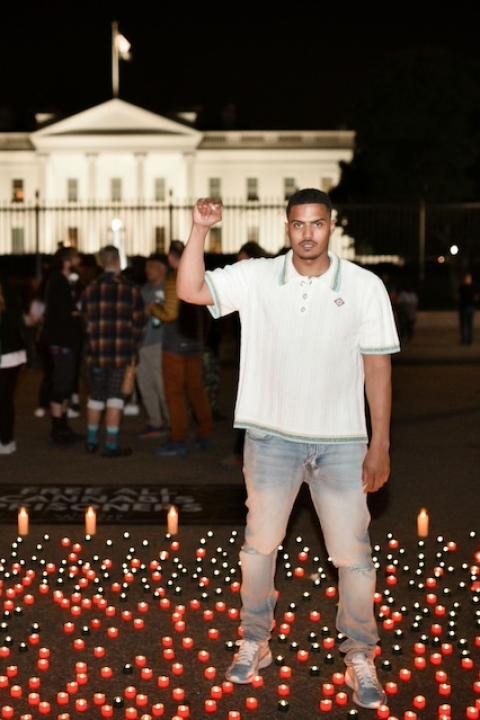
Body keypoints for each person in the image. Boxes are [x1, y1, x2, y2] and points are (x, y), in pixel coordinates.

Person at [177, 189, 400, 710]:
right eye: (298, 224)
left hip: (342, 443)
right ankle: (256, 640)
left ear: (331, 226)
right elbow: (190, 289)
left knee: (353, 557)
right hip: (271, 438)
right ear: (287, 227)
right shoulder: (258, 277)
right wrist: (200, 229)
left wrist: (381, 444)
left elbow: (378, 369)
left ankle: (359, 653)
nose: (307, 234)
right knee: (259, 547)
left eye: (316, 224)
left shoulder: (365, 286)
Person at [82, 245, 145, 457]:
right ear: (119, 262)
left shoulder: (90, 289)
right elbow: (138, 325)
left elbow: (85, 323)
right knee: (116, 399)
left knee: (95, 397)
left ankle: (91, 442)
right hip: (122, 354)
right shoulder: (131, 289)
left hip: (96, 354)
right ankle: (110, 445)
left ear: (101, 263)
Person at [152, 240, 213, 457]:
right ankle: (205, 433)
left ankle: (178, 438)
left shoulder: (172, 279)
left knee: (175, 393)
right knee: (197, 390)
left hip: (175, 344)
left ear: (171, 258)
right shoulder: (200, 277)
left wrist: (153, 309)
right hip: (195, 342)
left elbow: (170, 313)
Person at [41, 247, 83, 445]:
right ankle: (57, 429)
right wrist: (77, 313)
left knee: (65, 383)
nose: (79, 259)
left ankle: (63, 426)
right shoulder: (58, 280)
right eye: (75, 256)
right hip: (61, 339)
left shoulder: (64, 279)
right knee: (61, 383)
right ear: (68, 260)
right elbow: (62, 311)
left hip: (65, 339)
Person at [137, 253, 170, 438]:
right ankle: (155, 421)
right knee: (145, 384)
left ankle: (173, 422)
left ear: (162, 268)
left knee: (163, 385)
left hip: (160, 344)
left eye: (152, 266)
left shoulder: (170, 289)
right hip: (143, 344)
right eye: (147, 267)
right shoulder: (143, 290)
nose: (147, 270)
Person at [0, 279, 27, 454]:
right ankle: (6, 440)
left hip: (7, 356)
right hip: (14, 356)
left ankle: (5, 439)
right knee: (6, 400)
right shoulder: (12, 299)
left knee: (4, 401)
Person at [458, 273, 476, 345]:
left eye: (469, 278)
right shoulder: (462, 287)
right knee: (464, 325)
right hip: (464, 307)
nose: (468, 280)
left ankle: (469, 340)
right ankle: (465, 339)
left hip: (469, 307)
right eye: (467, 278)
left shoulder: (471, 287)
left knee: (469, 325)